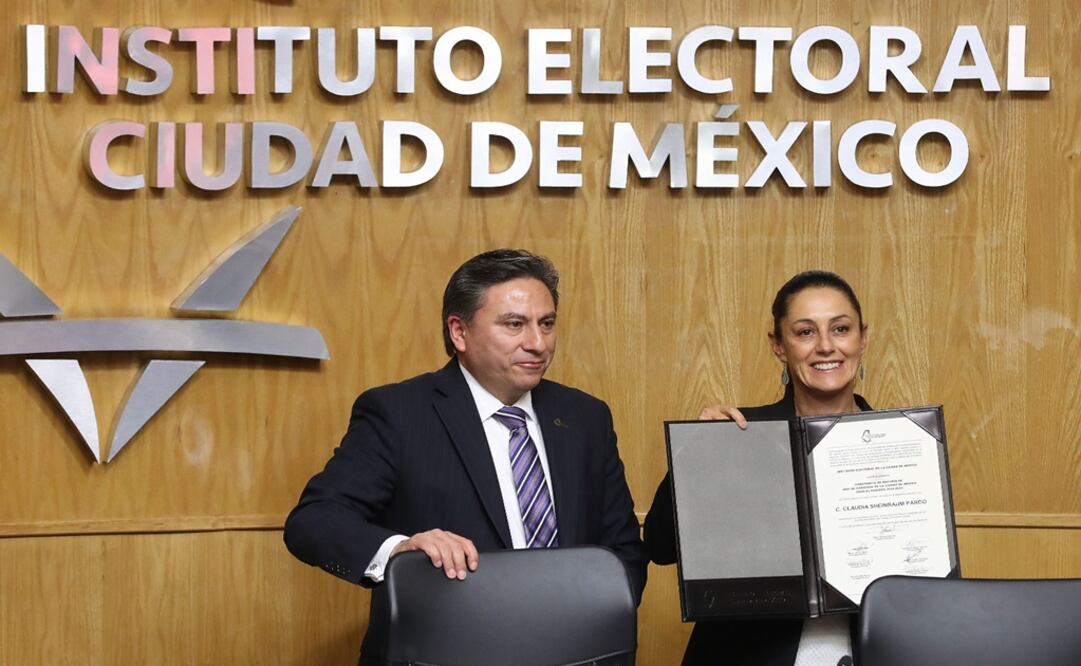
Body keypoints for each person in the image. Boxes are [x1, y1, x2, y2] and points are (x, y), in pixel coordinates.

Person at [284, 248, 647, 663]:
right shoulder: (399, 413)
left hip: (577, 654)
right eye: (515, 324)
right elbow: (313, 521)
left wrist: (588, 623)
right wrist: (399, 550)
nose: (537, 343)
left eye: (546, 324)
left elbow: (624, 552)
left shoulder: (586, 417)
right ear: (459, 332)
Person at [644, 270, 872, 666]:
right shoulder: (738, 433)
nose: (825, 346)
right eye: (804, 332)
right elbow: (660, 547)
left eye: (840, 329)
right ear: (778, 346)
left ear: (862, 338)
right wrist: (698, 455)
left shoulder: (904, 445)